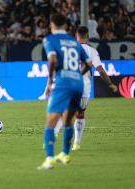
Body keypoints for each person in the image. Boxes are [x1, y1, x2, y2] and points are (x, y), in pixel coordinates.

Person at [37, 14, 92, 170]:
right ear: (66, 26)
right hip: (78, 84)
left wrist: (49, 82)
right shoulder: (74, 41)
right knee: (68, 120)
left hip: (62, 83)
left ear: (52, 24)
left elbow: (53, 60)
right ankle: (65, 154)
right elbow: (88, 63)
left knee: (51, 121)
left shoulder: (49, 39)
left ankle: (49, 159)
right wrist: (77, 75)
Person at [54, 26, 118, 150]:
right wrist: (110, 84)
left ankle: (55, 132)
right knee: (80, 113)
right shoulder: (92, 51)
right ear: (87, 36)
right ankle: (76, 143)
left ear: (76, 36)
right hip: (84, 86)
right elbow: (100, 70)